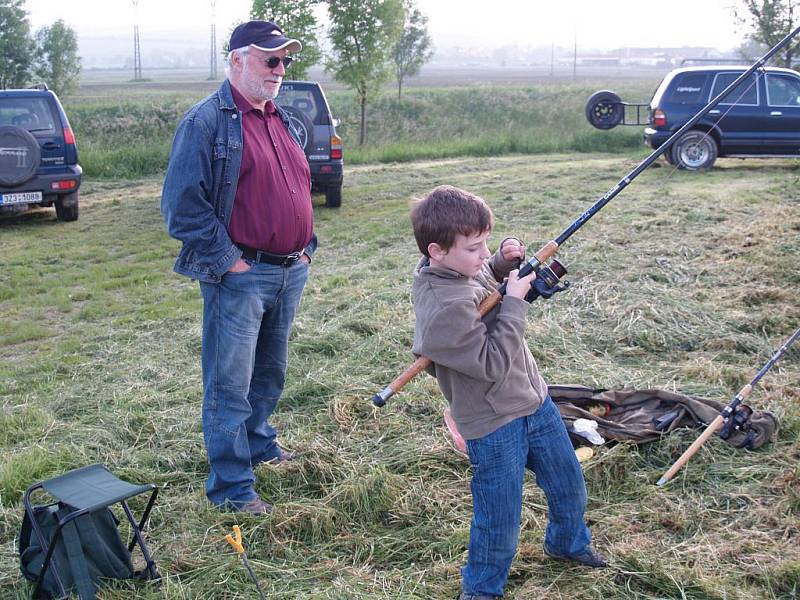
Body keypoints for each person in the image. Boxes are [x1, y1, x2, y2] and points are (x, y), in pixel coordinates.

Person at [410, 185, 606, 599]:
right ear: (437, 251)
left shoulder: (460, 268)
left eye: (485, 245)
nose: (482, 255)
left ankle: (566, 544)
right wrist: (515, 302)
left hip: (534, 402)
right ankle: (481, 591)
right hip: (493, 423)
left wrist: (502, 262)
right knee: (498, 518)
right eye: (475, 248)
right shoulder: (442, 309)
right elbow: (492, 364)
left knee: (568, 483)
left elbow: (482, 278)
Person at [161, 20, 316, 515]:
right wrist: (232, 263)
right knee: (229, 384)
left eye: (285, 60)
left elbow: (297, 189)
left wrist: (306, 244)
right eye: (270, 59)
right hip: (243, 277)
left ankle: (259, 444)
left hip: (290, 270)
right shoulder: (205, 123)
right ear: (235, 61)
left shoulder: (283, 119)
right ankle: (231, 488)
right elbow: (182, 208)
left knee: (269, 373)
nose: (280, 69)